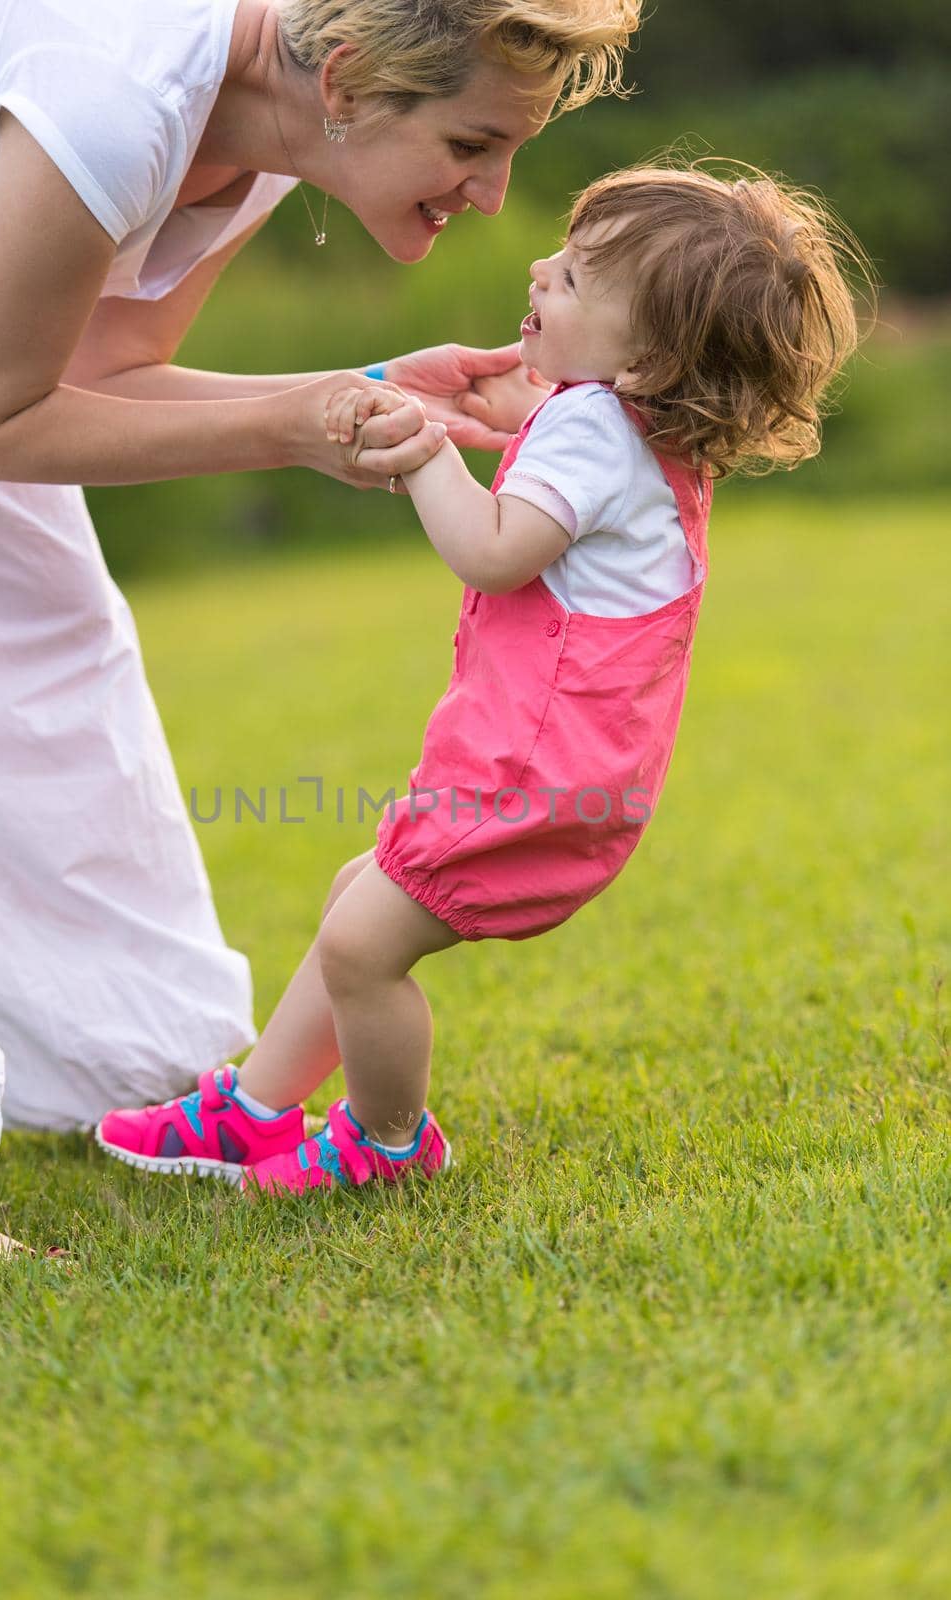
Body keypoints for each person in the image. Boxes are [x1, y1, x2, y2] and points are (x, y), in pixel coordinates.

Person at [0, 0, 643, 1257]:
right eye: (470, 144)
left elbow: (95, 378)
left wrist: (356, 393)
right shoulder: (120, 99)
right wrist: (294, 424)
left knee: (46, 614)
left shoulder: (259, 137)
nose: (494, 194)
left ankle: (121, 1057)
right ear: (347, 80)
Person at [96, 160, 870, 1194]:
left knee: (365, 943)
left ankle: (387, 1141)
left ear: (644, 360)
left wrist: (424, 452)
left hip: (528, 777)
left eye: (579, 279)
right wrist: (527, 402)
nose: (543, 271)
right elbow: (564, 466)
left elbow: (495, 549)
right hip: (558, 773)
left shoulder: (598, 431)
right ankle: (252, 1112)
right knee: (353, 903)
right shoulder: (637, 429)